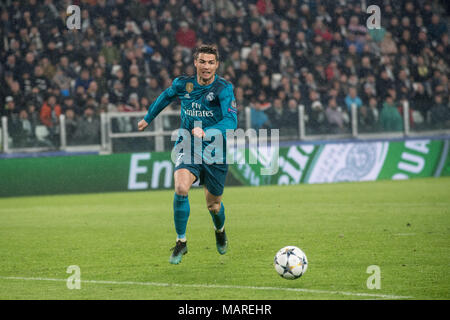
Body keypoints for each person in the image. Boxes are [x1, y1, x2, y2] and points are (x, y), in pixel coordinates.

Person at [137, 45, 237, 264]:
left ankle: (219, 230)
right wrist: (148, 118)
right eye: (202, 61)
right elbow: (165, 97)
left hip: (214, 150)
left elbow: (231, 121)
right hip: (188, 144)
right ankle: (181, 242)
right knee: (181, 187)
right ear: (195, 63)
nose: (206, 66)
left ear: (217, 65)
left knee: (214, 205)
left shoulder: (224, 89)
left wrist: (207, 131)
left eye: (211, 62)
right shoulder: (184, 84)